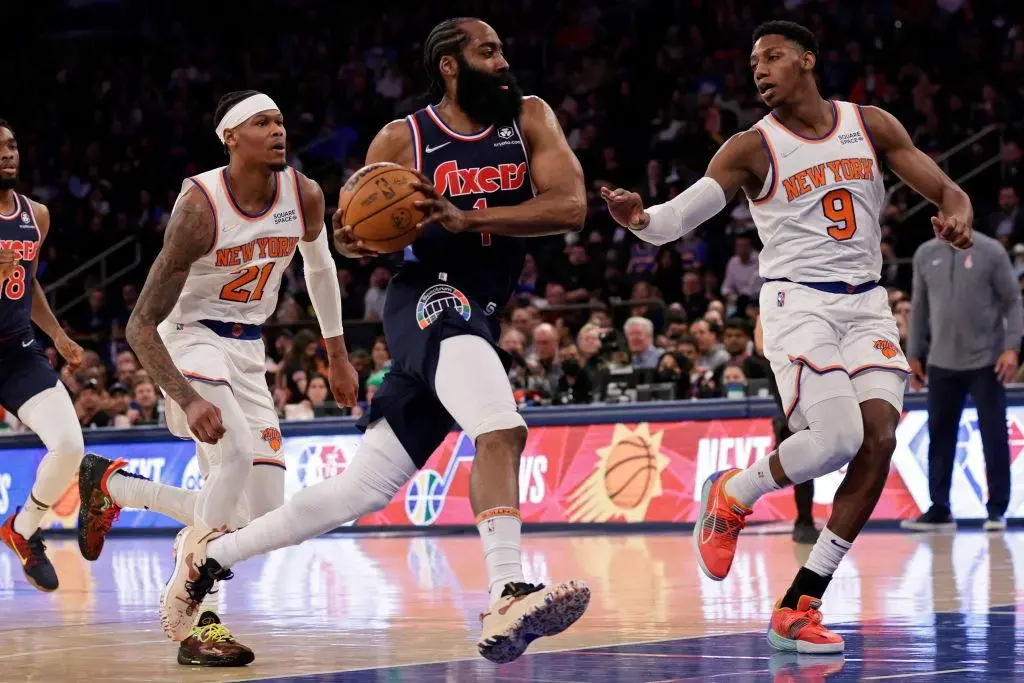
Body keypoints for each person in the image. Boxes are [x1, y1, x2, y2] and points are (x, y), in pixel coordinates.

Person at [158, 18, 590, 666]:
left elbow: (570, 205)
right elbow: (353, 234)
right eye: (487, 51)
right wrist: (353, 241)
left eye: (501, 49)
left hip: (481, 310)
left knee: (360, 488)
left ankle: (209, 558)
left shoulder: (528, 118)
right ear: (450, 65)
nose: (503, 62)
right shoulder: (404, 137)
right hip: (428, 299)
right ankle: (506, 591)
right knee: (501, 427)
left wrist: (466, 216)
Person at [601, 21, 972, 654]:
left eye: (772, 58)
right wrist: (638, 217)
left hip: (867, 303)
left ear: (807, 60)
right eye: (753, 64)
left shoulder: (871, 124)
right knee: (837, 439)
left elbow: (944, 187)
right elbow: (675, 220)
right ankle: (734, 492)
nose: (760, 71)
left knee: (879, 440)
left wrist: (957, 211)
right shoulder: (750, 147)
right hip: (797, 301)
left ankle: (801, 603)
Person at [75, 91, 358, 666]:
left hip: (249, 348)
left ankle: (114, 486)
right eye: (262, 123)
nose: (279, 131)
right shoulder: (200, 208)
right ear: (231, 137)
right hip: (188, 336)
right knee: (232, 455)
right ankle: (191, 614)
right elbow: (139, 325)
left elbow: (320, 268)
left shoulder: (302, 193)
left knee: (258, 518)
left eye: (281, 120)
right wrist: (184, 394)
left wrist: (337, 353)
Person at [0, 118, 86, 592]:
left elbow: (28, 282)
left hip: (14, 352)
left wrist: (56, 335)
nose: (8, 154)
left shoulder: (37, 215)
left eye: (12, 145)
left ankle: (24, 528)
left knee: (70, 445)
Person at [902, 230, 1021, 532]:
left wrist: (1011, 348)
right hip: (941, 361)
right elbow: (919, 309)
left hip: (986, 360)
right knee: (939, 435)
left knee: (994, 435)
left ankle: (997, 510)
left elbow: (1013, 301)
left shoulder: (991, 250)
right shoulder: (924, 254)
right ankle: (939, 509)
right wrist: (913, 354)